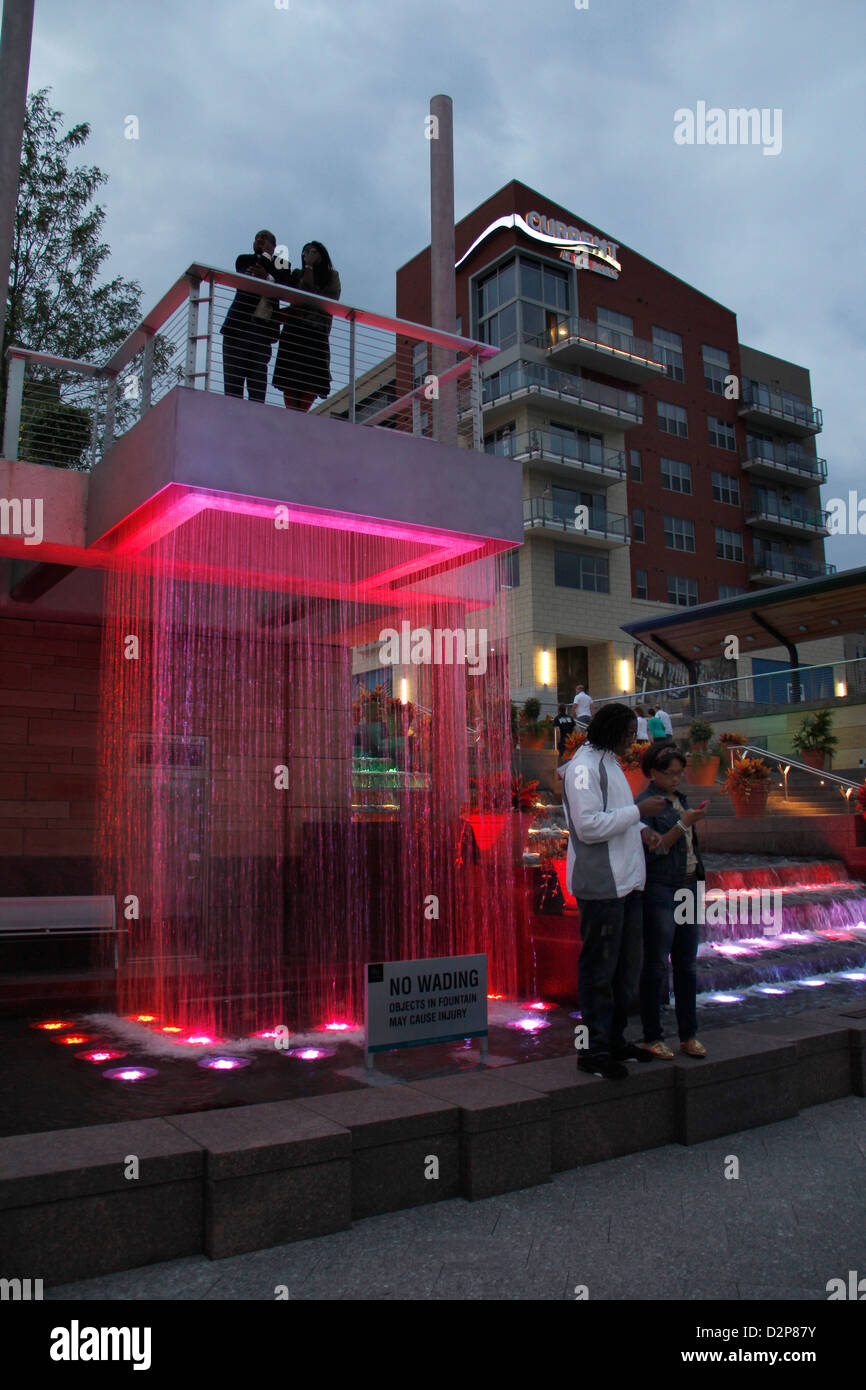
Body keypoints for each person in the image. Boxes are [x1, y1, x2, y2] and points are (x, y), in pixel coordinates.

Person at [561, 703, 665, 1081]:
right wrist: (640, 814)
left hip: (627, 882)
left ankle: (615, 1039)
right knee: (598, 972)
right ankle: (591, 1051)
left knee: (624, 969)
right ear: (610, 733)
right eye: (627, 734)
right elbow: (588, 827)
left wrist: (642, 831)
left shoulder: (608, 763)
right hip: (602, 884)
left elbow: (615, 814)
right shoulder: (584, 768)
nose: (632, 741)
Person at [636, 742, 708, 1059]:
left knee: (687, 965)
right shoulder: (646, 804)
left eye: (681, 773)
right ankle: (652, 1035)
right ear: (654, 772)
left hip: (688, 886)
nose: (677, 779)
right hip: (661, 888)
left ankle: (688, 1035)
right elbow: (657, 847)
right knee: (655, 964)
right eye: (671, 773)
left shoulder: (681, 800)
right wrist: (684, 824)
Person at [220, 230, 289, 403]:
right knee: (233, 383)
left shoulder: (281, 264)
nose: (259, 241)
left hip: (263, 330)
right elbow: (244, 276)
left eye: (263, 239)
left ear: (273, 246)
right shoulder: (244, 259)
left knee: (257, 385)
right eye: (257, 239)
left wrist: (266, 277)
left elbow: (285, 285)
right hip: (238, 327)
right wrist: (259, 270)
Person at [273, 241, 341, 412]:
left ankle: (300, 418)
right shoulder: (297, 274)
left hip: (316, 333)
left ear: (321, 255)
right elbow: (300, 293)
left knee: (312, 381)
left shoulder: (331, 276)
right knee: (290, 379)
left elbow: (327, 298)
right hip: (294, 332)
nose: (307, 255)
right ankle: (293, 418)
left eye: (312, 251)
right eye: (304, 253)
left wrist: (310, 267)